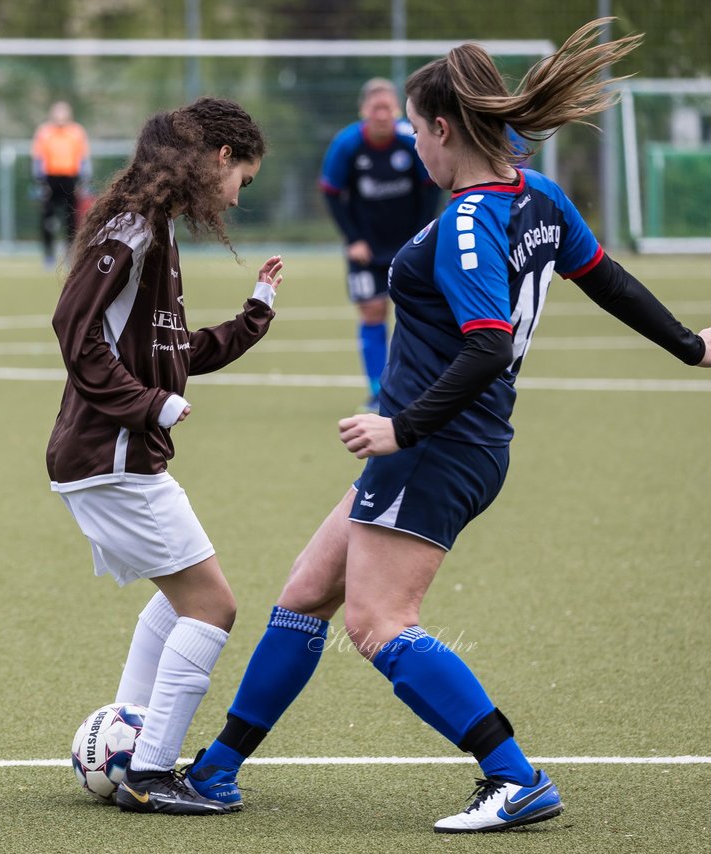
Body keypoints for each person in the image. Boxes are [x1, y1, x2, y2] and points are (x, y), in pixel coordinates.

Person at [187, 19, 711, 833]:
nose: (412, 148)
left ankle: (514, 775)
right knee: (306, 593)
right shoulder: (537, 196)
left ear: (439, 128)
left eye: (415, 131)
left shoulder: (470, 221)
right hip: (457, 443)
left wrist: (403, 429)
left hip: (436, 447)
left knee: (377, 622)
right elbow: (606, 280)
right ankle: (216, 771)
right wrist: (687, 346)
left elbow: (488, 346)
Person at [48, 96, 282, 815]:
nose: (240, 194)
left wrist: (254, 316)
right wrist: (145, 406)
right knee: (213, 607)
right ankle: (150, 777)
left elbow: (177, 351)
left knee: (181, 599)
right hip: (111, 455)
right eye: (244, 176)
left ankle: (131, 734)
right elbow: (73, 327)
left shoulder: (157, 230)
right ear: (219, 158)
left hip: (117, 457)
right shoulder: (134, 227)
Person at [320, 78, 439, 410]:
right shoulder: (346, 144)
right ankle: (378, 389)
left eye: (388, 107)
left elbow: (432, 186)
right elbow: (331, 193)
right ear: (364, 111)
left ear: (397, 110)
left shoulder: (410, 140)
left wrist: (423, 234)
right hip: (366, 248)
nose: (383, 114)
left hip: (410, 244)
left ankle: (419, 386)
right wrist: (353, 239)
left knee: (415, 310)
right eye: (376, 108)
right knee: (372, 310)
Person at [31, 100, 90, 268]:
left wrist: (83, 181)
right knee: (47, 218)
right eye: (57, 113)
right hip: (50, 180)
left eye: (63, 113)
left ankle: (70, 255)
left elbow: (83, 158)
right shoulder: (44, 132)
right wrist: (40, 181)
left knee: (71, 219)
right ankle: (48, 255)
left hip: (70, 179)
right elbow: (38, 158)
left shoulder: (77, 132)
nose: (60, 116)